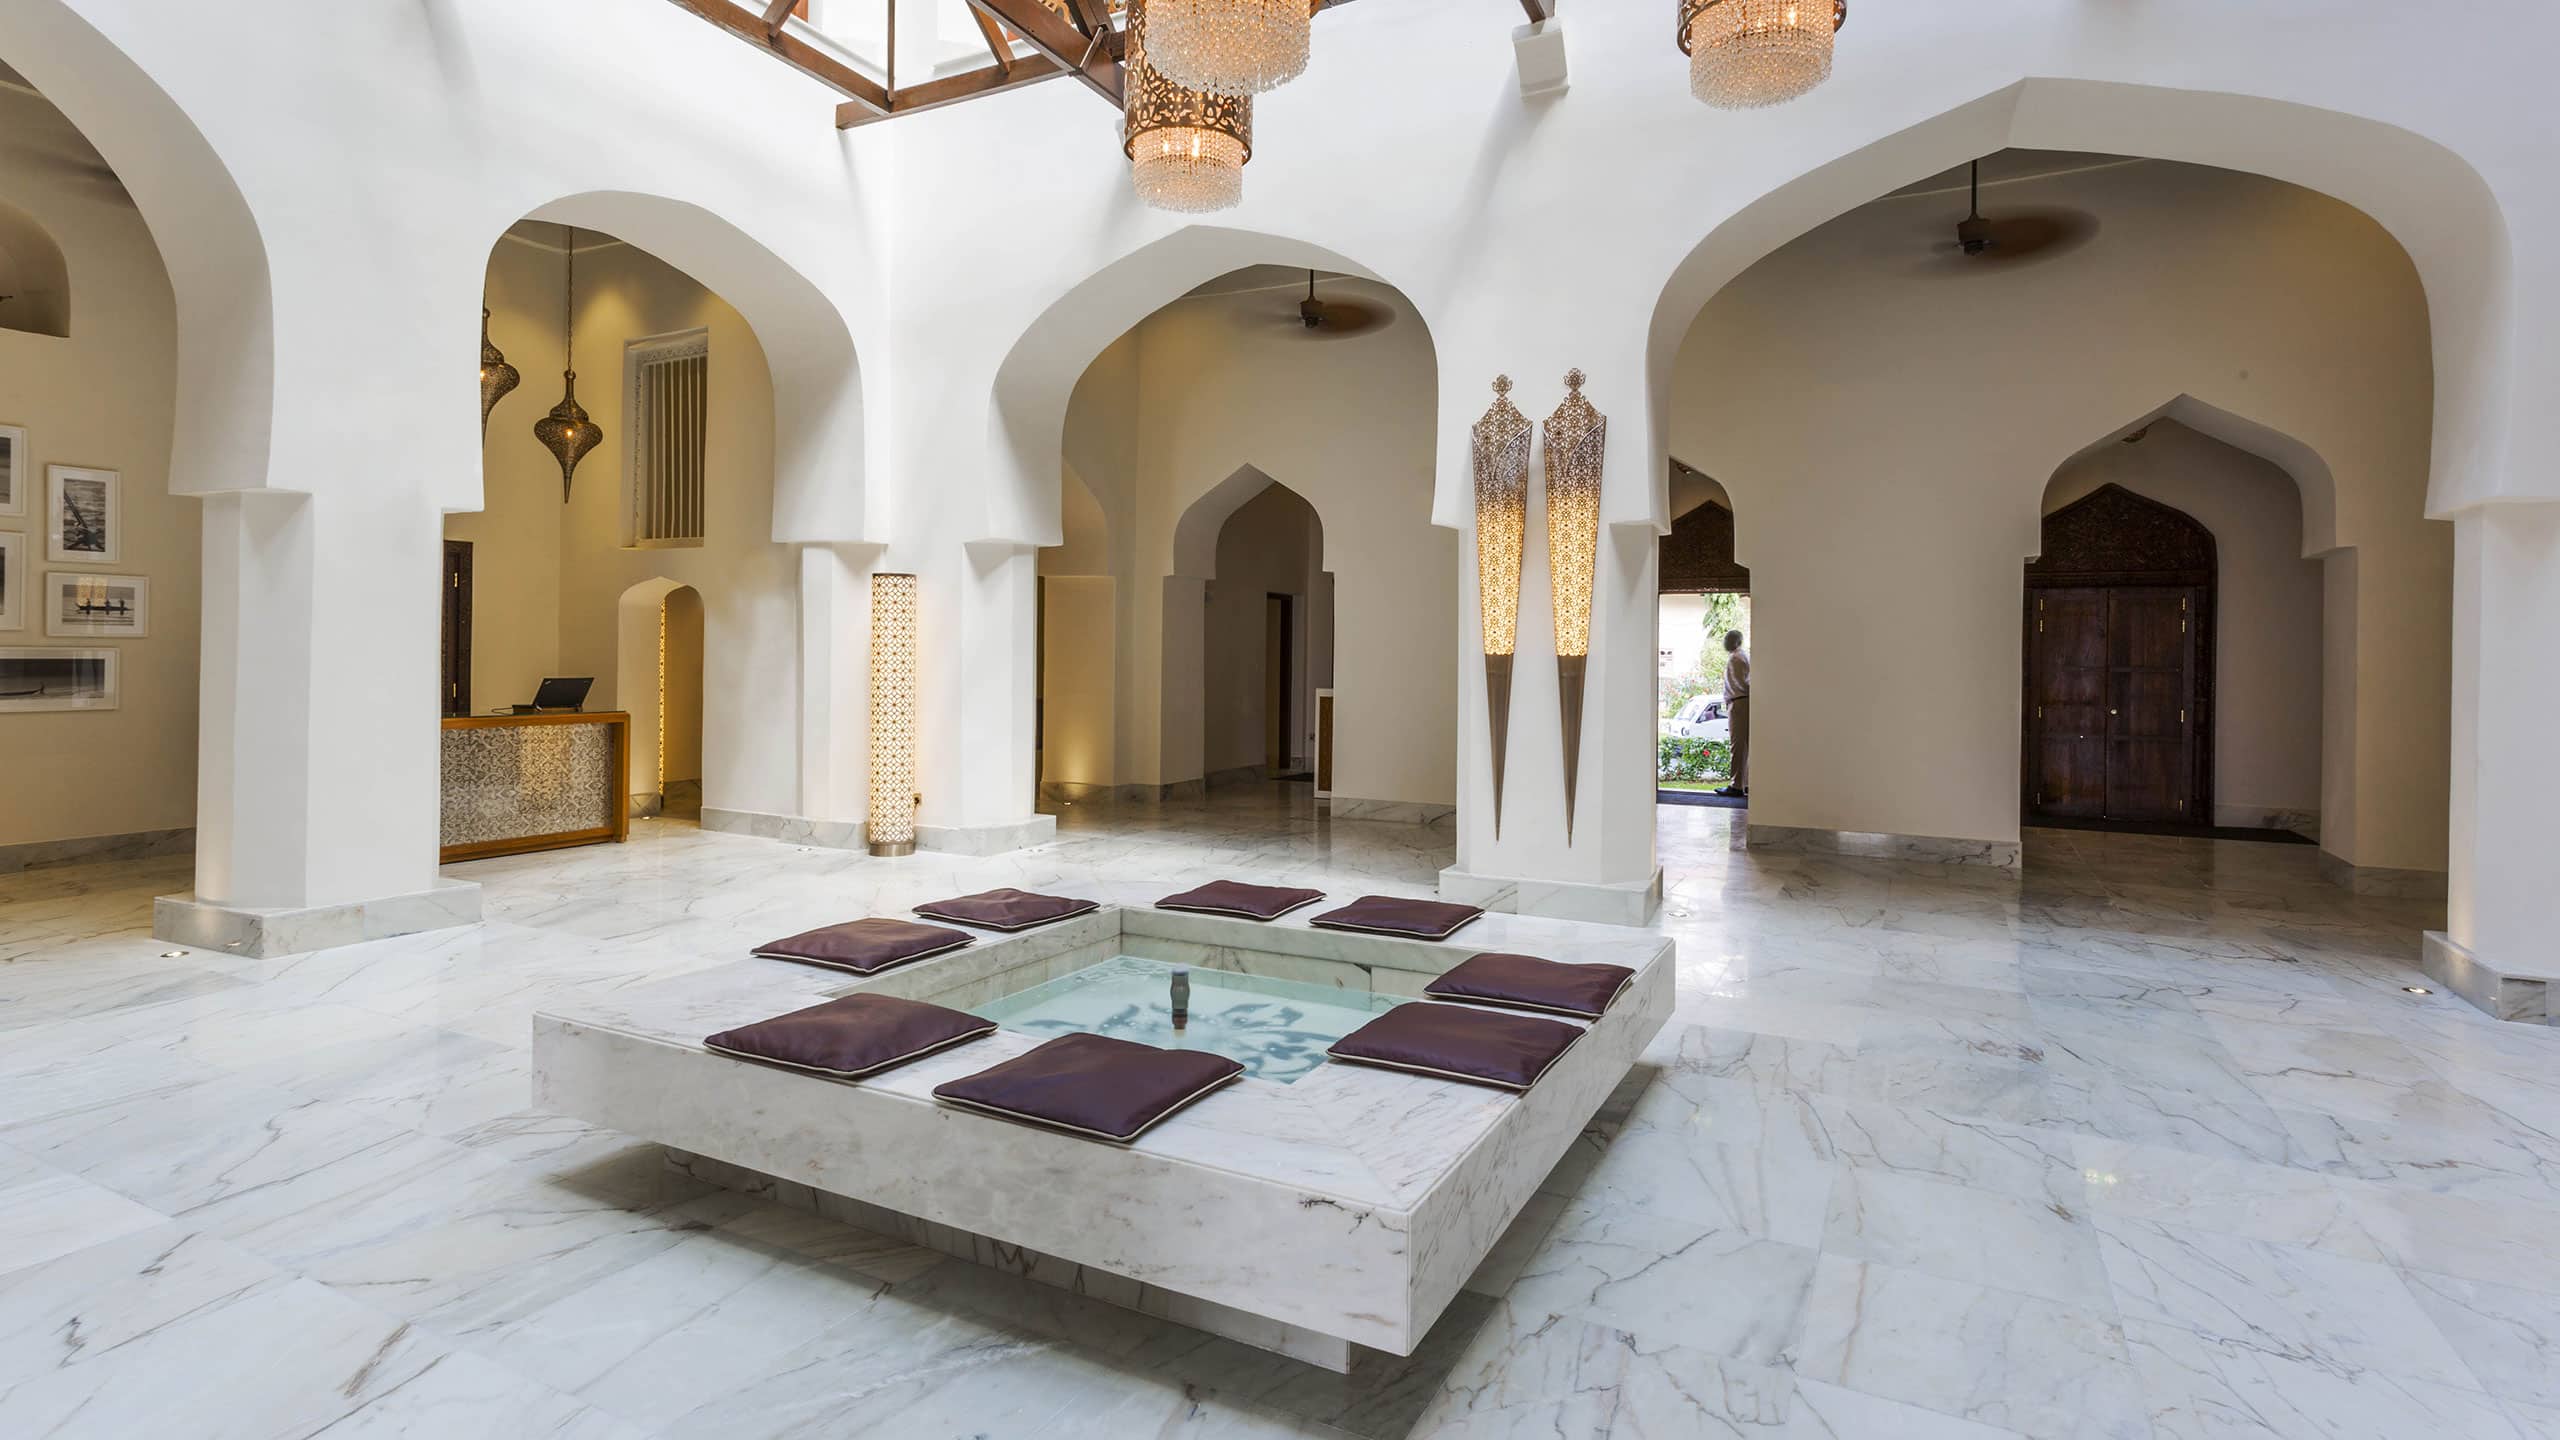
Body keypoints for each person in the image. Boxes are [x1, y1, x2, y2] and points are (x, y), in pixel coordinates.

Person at [1715, 629, 1750, 799]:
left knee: (1737, 745)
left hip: (1739, 702)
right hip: (1742, 702)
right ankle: (1745, 783)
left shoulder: (1736, 658)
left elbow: (1741, 683)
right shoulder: (1742, 656)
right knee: (1744, 746)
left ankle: (1736, 785)